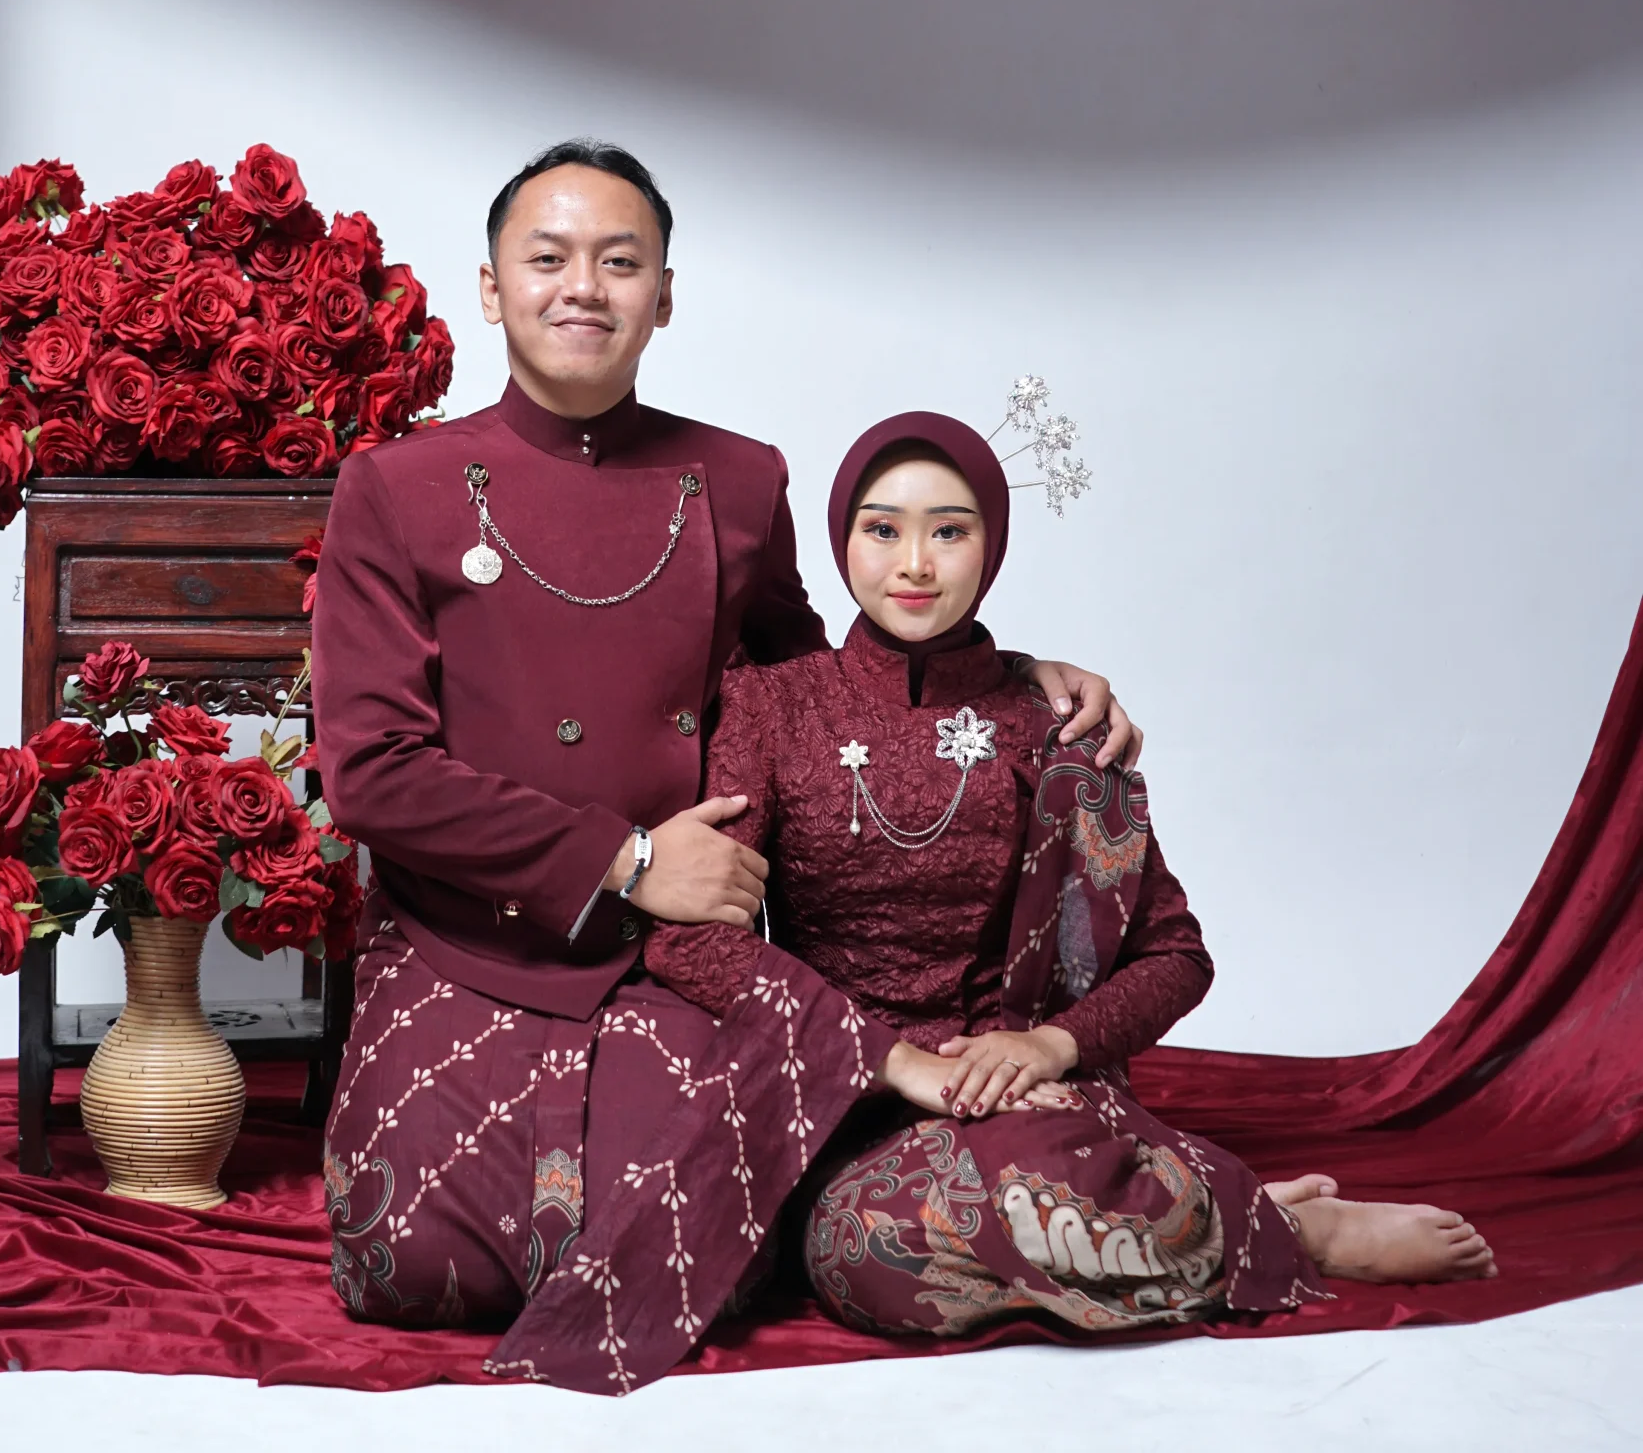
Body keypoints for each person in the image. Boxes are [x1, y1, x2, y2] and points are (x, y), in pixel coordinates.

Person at [495, 411, 1495, 1395]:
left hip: (1026, 1094)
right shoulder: (772, 705)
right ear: (842, 540)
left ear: (994, 544)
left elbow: (1174, 955)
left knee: (1025, 1190)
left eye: (949, 530)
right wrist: (882, 1057)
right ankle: (1239, 1220)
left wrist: (1047, 1048)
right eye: (882, 529)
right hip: (843, 1095)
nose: (914, 564)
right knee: (864, 1255)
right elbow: (693, 943)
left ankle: (1286, 1228)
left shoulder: (1054, 722)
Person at [314, 143, 1134, 1331]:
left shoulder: (739, 479)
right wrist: (628, 856)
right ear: (491, 287)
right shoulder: (394, 488)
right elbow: (372, 776)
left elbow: (822, 690)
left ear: (664, 295)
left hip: (670, 955)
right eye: (547, 258)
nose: (582, 286)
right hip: (460, 940)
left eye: (620, 261)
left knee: (715, 1249)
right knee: (416, 1266)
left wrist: (1009, 677)